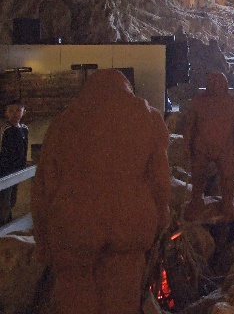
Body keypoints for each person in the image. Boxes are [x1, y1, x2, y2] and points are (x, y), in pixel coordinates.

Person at [31, 69, 171, 314]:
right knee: (122, 295)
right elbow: (160, 181)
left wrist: (42, 238)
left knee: (76, 294)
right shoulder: (148, 117)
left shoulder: (63, 122)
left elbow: (44, 186)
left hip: (75, 222)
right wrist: (162, 216)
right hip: (129, 221)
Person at [183, 72, 234, 220]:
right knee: (197, 175)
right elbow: (189, 126)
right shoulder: (198, 102)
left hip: (225, 147)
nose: (215, 85)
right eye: (212, 82)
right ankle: (197, 199)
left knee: (228, 176)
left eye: (219, 82)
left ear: (226, 85)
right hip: (202, 146)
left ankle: (227, 201)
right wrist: (186, 144)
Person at [0, 100, 28, 225]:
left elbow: (24, 147)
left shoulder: (24, 129)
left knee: (12, 198)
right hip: (6, 169)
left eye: (18, 110)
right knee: (5, 197)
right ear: (6, 113)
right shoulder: (6, 130)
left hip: (18, 168)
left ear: (23, 112)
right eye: (11, 111)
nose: (15, 114)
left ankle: (9, 219)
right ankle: (4, 223)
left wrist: (22, 163)